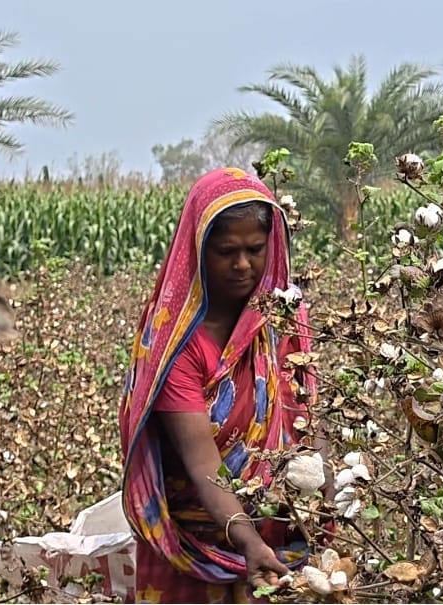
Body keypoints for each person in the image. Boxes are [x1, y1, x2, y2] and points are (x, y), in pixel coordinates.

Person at [118, 167, 322, 603]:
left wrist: (325, 506)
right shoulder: (173, 343)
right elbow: (202, 462)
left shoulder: (283, 322)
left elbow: (306, 422)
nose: (243, 265)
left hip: (280, 538)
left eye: (254, 249)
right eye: (227, 251)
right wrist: (247, 542)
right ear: (198, 250)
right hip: (194, 550)